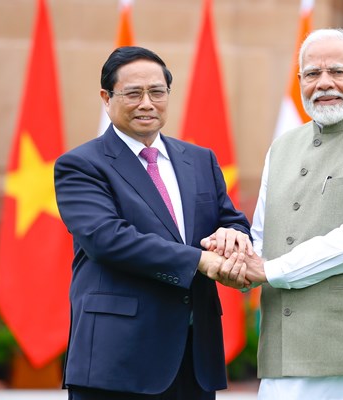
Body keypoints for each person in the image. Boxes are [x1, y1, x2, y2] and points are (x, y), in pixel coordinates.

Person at [217, 28, 343, 399]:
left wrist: (269, 270)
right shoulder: (281, 148)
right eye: (312, 73)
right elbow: (262, 235)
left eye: (338, 72)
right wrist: (236, 260)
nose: (324, 83)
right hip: (285, 352)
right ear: (300, 80)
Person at [54, 46, 252, 400]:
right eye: (133, 93)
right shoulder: (81, 165)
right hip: (117, 361)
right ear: (106, 98)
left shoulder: (200, 159)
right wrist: (200, 260)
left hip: (194, 357)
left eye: (157, 92)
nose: (147, 103)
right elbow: (107, 239)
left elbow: (231, 220)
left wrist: (232, 237)